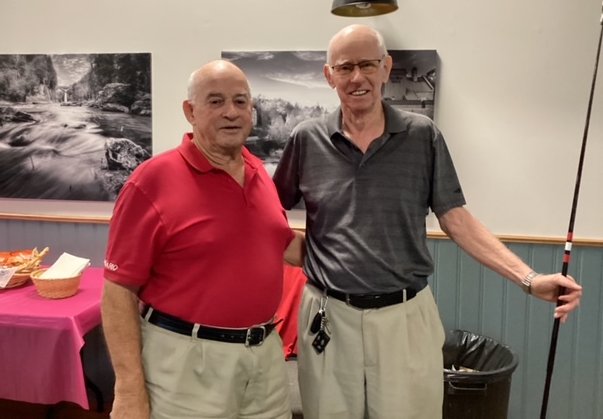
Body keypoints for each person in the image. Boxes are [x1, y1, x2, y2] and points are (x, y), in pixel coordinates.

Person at [272, 24, 583, 419]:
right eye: (345, 67)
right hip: (328, 317)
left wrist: (529, 279)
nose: (357, 77)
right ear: (329, 75)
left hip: (405, 318)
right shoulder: (306, 138)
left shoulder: (422, 136)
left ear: (386, 68)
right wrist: (308, 252)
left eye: (368, 65)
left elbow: (456, 218)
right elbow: (269, 214)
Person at [102, 59, 305, 419]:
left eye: (240, 101)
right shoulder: (152, 180)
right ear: (190, 112)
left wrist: (353, 247)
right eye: (215, 101)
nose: (231, 112)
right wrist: (129, 390)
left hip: (265, 361)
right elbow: (118, 292)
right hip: (187, 364)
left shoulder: (258, 171)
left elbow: (280, 242)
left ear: (251, 111)